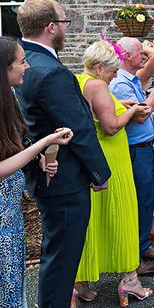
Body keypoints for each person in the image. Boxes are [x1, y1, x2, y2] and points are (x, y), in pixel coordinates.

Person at [14, 0, 111, 308]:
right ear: (51, 27)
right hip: (63, 179)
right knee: (62, 259)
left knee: (57, 255)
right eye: (66, 23)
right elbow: (78, 127)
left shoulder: (22, 61)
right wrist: (99, 173)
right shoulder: (48, 70)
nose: (68, 29)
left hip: (43, 172)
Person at [73, 40, 153, 306]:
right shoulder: (97, 85)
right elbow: (110, 126)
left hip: (93, 163)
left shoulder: (81, 81)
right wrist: (130, 110)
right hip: (112, 161)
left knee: (93, 222)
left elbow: (100, 108)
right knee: (121, 216)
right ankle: (130, 282)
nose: (115, 75)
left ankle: (79, 286)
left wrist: (121, 102)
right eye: (111, 70)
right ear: (98, 67)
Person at [0, 36, 69, 308]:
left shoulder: (11, 98)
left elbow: (12, 150)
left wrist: (39, 158)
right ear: (4, 68)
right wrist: (45, 143)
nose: (27, 66)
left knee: (14, 288)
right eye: (21, 61)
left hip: (11, 220)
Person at [110, 38, 154, 265]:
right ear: (127, 55)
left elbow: (140, 117)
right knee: (138, 201)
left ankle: (143, 246)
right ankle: (133, 258)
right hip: (134, 150)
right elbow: (140, 113)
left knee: (146, 199)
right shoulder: (121, 84)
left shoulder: (132, 79)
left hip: (144, 146)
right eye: (140, 54)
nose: (144, 57)